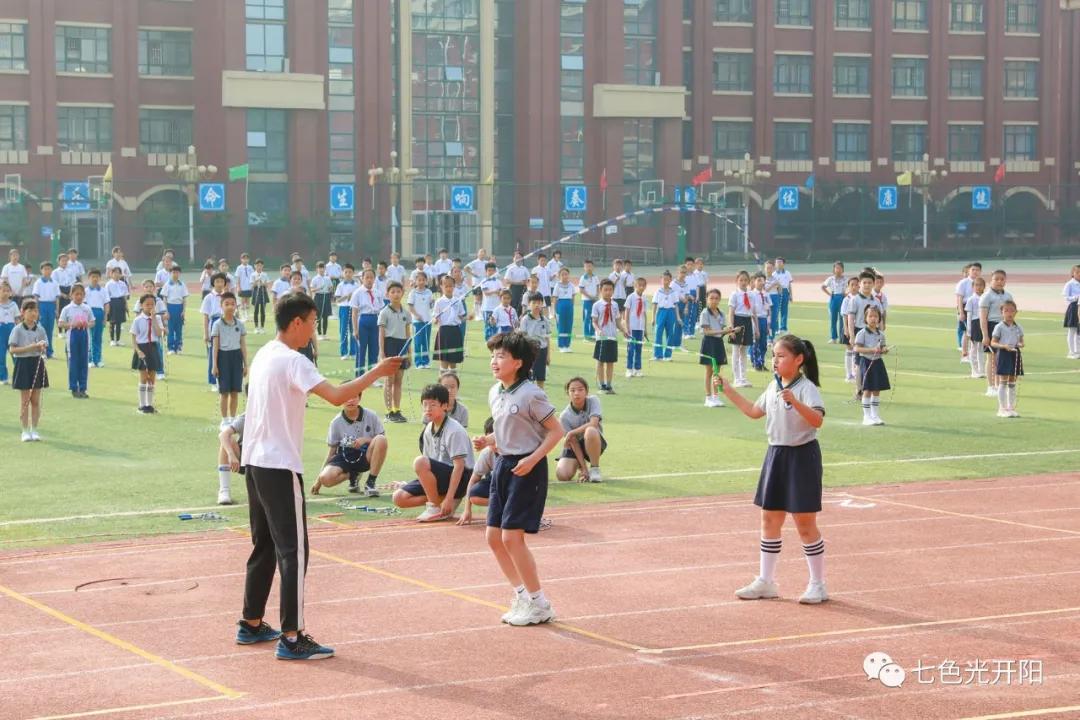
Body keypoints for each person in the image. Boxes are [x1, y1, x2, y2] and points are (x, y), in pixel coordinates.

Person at [237, 292, 401, 660]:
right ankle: (292, 637)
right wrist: (378, 371)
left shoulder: (265, 353)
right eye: (312, 322)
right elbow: (337, 395)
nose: (314, 330)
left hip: (255, 461)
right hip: (278, 465)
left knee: (264, 545)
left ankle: (250, 622)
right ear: (297, 323)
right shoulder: (293, 361)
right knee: (294, 551)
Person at [716, 334, 827, 605]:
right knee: (769, 519)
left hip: (802, 457)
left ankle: (818, 584)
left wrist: (795, 401)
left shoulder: (807, 388)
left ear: (798, 360)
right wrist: (728, 390)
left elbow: (817, 420)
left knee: (804, 523)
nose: (775, 361)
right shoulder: (772, 385)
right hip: (776, 454)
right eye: (774, 356)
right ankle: (766, 581)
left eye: (781, 356)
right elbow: (754, 412)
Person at [472, 331, 564, 625]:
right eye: (493, 355)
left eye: (501, 356)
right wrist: (488, 440)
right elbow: (506, 430)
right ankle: (522, 596)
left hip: (528, 468)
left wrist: (532, 459)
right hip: (503, 465)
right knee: (493, 537)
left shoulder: (531, 394)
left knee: (512, 537)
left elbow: (555, 431)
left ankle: (539, 603)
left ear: (518, 362)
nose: (494, 361)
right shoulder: (495, 392)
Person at [393, 383, 475, 522]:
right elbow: (429, 465)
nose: (427, 409)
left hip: (462, 478)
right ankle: (442, 503)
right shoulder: (428, 428)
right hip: (441, 478)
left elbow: (459, 466)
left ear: (445, 406)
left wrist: (449, 498)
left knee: (420, 461)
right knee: (399, 498)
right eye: (424, 405)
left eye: (432, 405)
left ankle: (436, 506)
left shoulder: (454, 430)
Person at [311, 395, 389, 497]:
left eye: (354, 397)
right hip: (345, 456)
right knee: (325, 478)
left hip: (366, 455)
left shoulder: (371, 415)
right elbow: (332, 452)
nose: (350, 400)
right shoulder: (336, 422)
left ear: (360, 398)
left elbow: (381, 440)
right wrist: (318, 481)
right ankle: (353, 475)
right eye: (347, 396)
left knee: (381, 439)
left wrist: (365, 440)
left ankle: (370, 483)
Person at [10, 299, 48, 441]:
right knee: (25, 400)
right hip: (23, 364)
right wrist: (31, 347)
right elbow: (13, 349)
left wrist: (43, 346)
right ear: (23, 312)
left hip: (37, 363)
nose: (33, 313)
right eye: (30, 310)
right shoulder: (17, 329)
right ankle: (25, 431)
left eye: (35, 310)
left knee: (36, 401)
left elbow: (45, 345)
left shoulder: (41, 329)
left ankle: (34, 430)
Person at [555, 377, 605, 483]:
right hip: (575, 447)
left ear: (587, 391)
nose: (576, 393)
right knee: (562, 475)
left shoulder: (594, 400)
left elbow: (594, 423)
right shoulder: (564, 416)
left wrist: (572, 432)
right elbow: (573, 443)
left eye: (580, 389)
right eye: (572, 390)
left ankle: (594, 469)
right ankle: (581, 466)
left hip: (593, 441)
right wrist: (584, 469)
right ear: (567, 393)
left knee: (590, 430)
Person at [212, 292, 248, 426]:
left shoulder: (240, 324)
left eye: (233, 304)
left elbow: (243, 345)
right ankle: (225, 419)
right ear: (221, 306)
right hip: (223, 357)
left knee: (234, 391)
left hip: (236, 357)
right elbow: (215, 347)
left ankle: (233, 419)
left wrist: (246, 364)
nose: (230, 307)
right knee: (224, 392)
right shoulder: (217, 324)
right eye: (227, 304)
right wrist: (214, 365)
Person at [378, 281, 412, 423]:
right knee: (389, 380)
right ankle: (389, 411)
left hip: (402, 345)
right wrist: (382, 352)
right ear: (388, 294)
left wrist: (409, 352)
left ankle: (397, 409)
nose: (396, 294)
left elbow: (408, 333)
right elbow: (381, 333)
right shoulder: (384, 312)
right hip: (390, 345)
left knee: (398, 380)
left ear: (402, 293)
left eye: (398, 291)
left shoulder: (406, 313)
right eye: (393, 292)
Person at [844, 272, 882, 394]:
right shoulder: (855, 300)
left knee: (871, 362)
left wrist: (880, 336)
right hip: (859, 332)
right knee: (858, 364)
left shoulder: (876, 301)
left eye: (869, 283)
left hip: (872, 333)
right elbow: (850, 318)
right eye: (864, 282)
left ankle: (870, 388)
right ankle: (859, 389)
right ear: (860, 284)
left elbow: (879, 320)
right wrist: (851, 335)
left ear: (873, 284)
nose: (866, 285)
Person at [853, 306, 890, 426]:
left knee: (877, 389)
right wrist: (871, 350)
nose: (873, 319)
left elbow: (883, 346)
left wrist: (884, 350)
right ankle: (866, 416)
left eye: (876, 316)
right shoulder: (862, 333)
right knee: (867, 389)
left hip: (878, 363)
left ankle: (875, 415)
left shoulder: (881, 334)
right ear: (865, 318)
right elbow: (857, 348)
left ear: (879, 319)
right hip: (866, 362)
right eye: (870, 316)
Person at [979, 270, 1013, 399]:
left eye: (1002, 279)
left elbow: (1011, 314)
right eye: (996, 279)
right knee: (992, 359)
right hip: (992, 326)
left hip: (1005, 327)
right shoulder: (987, 296)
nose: (999, 282)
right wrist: (985, 335)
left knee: (1002, 359)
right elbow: (983, 318)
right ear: (991, 281)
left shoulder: (1008, 296)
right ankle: (991, 386)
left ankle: (1000, 386)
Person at [458, 417, 496, 526]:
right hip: (496, 484)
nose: (493, 443)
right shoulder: (487, 453)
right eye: (489, 439)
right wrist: (467, 510)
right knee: (474, 494)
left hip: (515, 484)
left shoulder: (516, 451)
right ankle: (501, 506)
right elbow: (473, 479)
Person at [130, 293, 165, 414]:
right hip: (142, 348)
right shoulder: (138, 320)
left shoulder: (158, 318)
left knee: (152, 378)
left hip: (153, 348)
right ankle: (141, 404)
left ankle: (149, 405)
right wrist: (138, 351)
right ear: (141, 305)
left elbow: (159, 333)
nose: (150, 307)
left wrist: (154, 318)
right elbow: (134, 338)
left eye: (152, 304)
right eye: (147, 304)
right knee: (144, 378)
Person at [58, 283, 94, 399]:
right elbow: (60, 323)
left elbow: (93, 322)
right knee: (74, 362)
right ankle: (74, 387)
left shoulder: (86, 308)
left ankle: (83, 388)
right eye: (76, 294)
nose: (79, 297)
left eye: (81, 294)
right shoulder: (67, 309)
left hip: (84, 335)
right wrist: (72, 324)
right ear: (71, 295)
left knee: (84, 362)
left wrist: (86, 324)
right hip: (72, 336)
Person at [699, 288, 733, 407]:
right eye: (711, 298)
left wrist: (730, 331)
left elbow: (721, 332)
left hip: (718, 342)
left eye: (716, 298)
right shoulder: (704, 313)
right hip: (709, 343)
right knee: (709, 371)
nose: (714, 300)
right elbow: (707, 331)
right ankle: (708, 398)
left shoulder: (722, 313)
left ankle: (715, 397)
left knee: (717, 371)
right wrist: (722, 331)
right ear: (707, 299)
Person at [991, 300, 1024, 418]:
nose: (1009, 313)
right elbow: (993, 342)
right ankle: (1002, 408)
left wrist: (1020, 344)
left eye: (1011, 311)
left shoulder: (1018, 327)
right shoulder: (999, 327)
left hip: (1014, 354)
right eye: (1006, 311)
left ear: (1016, 312)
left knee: (1012, 382)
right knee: (1003, 381)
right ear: (1002, 313)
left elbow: (1021, 341)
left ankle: (1011, 407)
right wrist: (1004, 346)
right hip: (1004, 354)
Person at [592, 279, 622, 394]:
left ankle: (609, 385)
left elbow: (617, 321)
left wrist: (624, 330)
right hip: (602, 338)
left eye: (610, 290)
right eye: (605, 290)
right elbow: (594, 321)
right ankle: (601, 385)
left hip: (612, 337)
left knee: (610, 362)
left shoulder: (615, 305)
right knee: (601, 361)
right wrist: (598, 330)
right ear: (601, 290)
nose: (608, 292)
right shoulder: (597, 305)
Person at [351, 268, 382, 378]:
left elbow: (381, 310)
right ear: (362, 279)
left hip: (375, 320)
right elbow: (354, 313)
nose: (369, 280)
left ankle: (372, 377)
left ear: (374, 279)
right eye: (367, 277)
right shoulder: (357, 293)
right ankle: (359, 377)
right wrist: (355, 330)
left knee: (374, 350)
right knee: (361, 351)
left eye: (371, 277)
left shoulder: (378, 292)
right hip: (363, 321)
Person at [728, 270, 756, 388]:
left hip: (747, 321)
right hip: (738, 321)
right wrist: (731, 327)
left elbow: (753, 312)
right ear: (737, 281)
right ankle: (736, 378)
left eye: (745, 280)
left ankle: (743, 377)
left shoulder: (751, 294)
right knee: (736, 351)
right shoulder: (734, 294)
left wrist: (756, 328)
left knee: (744, 351)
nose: (743, 282)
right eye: (741, 280)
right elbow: (731, 312)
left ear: (749, 281)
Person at [432, 274, 465, 370]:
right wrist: (435, 320)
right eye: (446, 286)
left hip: (455, 331)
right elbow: (435, 316)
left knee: (453, 361)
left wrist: (467, 318)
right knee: (444, 361)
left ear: (454, 286)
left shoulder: (457, 301)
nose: (448, 288)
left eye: (451, 286)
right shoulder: (439, 302)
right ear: (441, 287)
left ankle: (452, 382)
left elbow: (461, 316)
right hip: (443, 332)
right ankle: (442, 382)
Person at [201, 272, 227, 392]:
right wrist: (206, 333)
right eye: (217, 281)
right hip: (214, 323)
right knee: (214, 353)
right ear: (213, 283)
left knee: (226, 351)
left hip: (227, 323)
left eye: (222, 281)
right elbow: (206, 316)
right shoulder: (209, 297)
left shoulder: (228, 296)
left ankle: (225, 379)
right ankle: (213, 381)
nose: (220, 284)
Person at [520, 292, 551, 389]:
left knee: (541, 378)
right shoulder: (525, 319)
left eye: (539, 303)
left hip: (542, 351)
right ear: (529, 304)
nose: (537, 305)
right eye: (534, 303)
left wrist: (548, 355)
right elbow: (523, 337)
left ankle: (540, 399)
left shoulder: (545, 320)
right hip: (530, 351)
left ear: (542, 304)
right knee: (529, 378)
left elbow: (547, 338)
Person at [31, 261, 59, 359]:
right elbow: (36, 297)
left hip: (51, 306)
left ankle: (49, 351)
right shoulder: (38, 282)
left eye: (49, 269)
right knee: (41, 329)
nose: (47, 271)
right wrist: (36, 310)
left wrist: (57, 310)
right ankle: (41, 351)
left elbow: (57, 298)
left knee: (50, 330)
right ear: (41, 270)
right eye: (45, 269)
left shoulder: (54, 282)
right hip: (42, 306)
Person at [623, 276, 648, 378]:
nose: (641, 288)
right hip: (632, 327)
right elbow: (627, 312)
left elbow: (644, 313)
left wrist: (645, 328)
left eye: (643, 286)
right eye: (639, 286)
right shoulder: (631, 297)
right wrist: (627, 326)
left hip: (640, 327)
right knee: (631, 349)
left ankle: (638, 369)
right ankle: (629, 369)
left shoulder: (644, 298)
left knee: (639, 349)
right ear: (635, 286)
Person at [652, 271, 680, 361]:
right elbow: (654, 305)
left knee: (670, 334)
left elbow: (676, 305)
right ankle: (658, 355)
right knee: (658, 333)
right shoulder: (658, 292)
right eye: (664, 279)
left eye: (668, 279)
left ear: (670, 280)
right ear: (661, 280)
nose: (666, 281)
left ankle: (668, 355)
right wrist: (653, 318)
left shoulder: (673, 292)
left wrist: (678, 317)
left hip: (671, 312)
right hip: (661, 312)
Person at [955, 263, 981, 360]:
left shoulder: (980, 282)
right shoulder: (963, 283)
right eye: (973, 269)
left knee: (975, 331)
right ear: (969, 271)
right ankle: (964, 354)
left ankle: (973, 353)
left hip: (977, 308)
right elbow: (959, 298)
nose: (975, 272)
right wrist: (961, 312)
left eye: (977, 270)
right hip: (966, 308)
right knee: (967, 331)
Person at [217, 414, 245, 505]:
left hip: (267, 461)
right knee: (228, 439)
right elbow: (223, 435)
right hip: (245, 460)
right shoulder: (246, 416)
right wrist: (231, 455)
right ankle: (224, 490)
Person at [407, 271, 433, 369]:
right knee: (418, 342)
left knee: (426, 342)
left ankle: (426, 361)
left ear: (426, 281)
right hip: (417, 322)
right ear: (415, 281)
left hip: (427, 320)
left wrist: (432, 303)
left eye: (423, 280)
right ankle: (418, 362)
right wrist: (416, 315)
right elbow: (410, 306)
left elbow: (431, 306)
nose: (421, 282)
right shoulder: (413, 293)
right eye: (419, 280)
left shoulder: (429, 292)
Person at [161, 265, 188, 355]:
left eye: (177, 272)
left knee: (179, 329)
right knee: (170, 328)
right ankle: (171, 347)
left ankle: (179, 347)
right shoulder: (167, 284)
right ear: (170, 273)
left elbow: (184, 299)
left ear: (179, 273)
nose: (175, 274)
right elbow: (164, 298)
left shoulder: (182, 284)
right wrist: (166, 311)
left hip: (179, 307)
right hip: (170, 306)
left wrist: (183, 311)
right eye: (173, 272)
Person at [838, 277, 859, 383]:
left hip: (858, 327)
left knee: (857, 350)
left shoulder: (860, 298)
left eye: (856, 285)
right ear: (848, 287)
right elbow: (844, 315)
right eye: (852, 285)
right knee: (849, 349)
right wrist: (846, 329)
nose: (855, 287)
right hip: (848, 327)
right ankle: (848, 374)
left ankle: (855, 373)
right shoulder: (847, 299)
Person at [334, 264, 358, 359]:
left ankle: (353, 352)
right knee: (343, 330)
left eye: (350, 272)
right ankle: (344, 352)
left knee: (354, 330)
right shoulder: (340, 285)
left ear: (353, 273)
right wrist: (347, 296)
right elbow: (337, 300)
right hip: (344, 308)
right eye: (346, 272)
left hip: (354, 309)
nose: (348, 274)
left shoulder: (357, 285)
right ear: (343, 273)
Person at [965, 277, 987, 379]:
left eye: (981, 285)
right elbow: (969, 316)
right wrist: (969, 331)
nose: (978, 287)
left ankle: (982, 370)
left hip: (984, 323)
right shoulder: (971, 300)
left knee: (982, 348)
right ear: (973, 287)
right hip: (975, 324)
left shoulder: (986, 298)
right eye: (976, 285)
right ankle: (974, 371)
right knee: (974, 348)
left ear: (984, 286)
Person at [750, 273, 772, 372]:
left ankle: (761, 362)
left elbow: (768, 310)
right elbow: (751, 310)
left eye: (762, 280)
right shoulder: (751, 294)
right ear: (754, 282)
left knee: (763, 343)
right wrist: (755, 325)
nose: (760, 282)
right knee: (755, 342)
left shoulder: (766, 294)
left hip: (763, 320)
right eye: (758, 280)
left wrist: (768, 324)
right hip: (755, 319)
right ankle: (755, 363)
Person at [820, 262, 846, 343]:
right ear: (834, 269)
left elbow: (852, 287)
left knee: (843, 319)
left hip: (843, 298)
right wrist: (829, 294)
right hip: (833, 298)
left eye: (840, 268)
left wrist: (846, 293)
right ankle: (833, 337)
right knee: (833, 319)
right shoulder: (830, 279)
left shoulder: (846, 279)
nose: (838, 270)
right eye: (836, 268)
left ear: (843, 269)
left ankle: (842, 338)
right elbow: (822, 286)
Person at [552, 267, 576, 352]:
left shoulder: (571, 285)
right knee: (561, 326)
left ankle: (567, 345)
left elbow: (573, 297)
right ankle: (561, 345)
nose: (565, 276)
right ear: (559, 276)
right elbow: (554, 299)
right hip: (560, 305)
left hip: (569, 306)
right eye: (562, 274)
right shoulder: (557, 285)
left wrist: (571, 306)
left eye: (566, 274)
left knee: (568, 325)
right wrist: (554, 311)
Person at [479, 261, 503, 341]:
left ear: (495, 271)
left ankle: (496, 345)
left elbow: (501, 293)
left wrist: (498, 292)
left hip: (497, 307)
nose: (491, 272)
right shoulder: (484, 281)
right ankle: (489, 344)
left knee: (497, 327)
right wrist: (495, 291)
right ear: (486, 271)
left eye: (493, 270)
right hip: (487, 308)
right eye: (489, 270)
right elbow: (486, 293)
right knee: (488, 327)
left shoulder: (498, 282)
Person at [105, 266, 129, 347]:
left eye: (119, 273)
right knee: (112, 322)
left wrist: (126, 305)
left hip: (121, 302)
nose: (117, 275)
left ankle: (118, 340)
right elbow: (106, 296)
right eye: (115, 273)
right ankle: (112, 340)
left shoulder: (123, 283)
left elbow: (125, 295)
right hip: (112, 302)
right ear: (111, 274)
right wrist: (107, 306)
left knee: (119, 322)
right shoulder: (109, 284)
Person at [310, 262, 334, 340]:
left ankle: (325, 334)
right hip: (318, 297)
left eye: (322, 268)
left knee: (325, 316)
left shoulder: (327, 278)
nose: (321, 269)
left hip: (326, 296)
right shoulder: (315, 278)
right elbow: (312, 289)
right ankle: (319, 334)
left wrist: (330, 290)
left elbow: (331, 287)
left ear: (324, 269)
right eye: (319, 268)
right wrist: (319, 288)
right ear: (317, 269)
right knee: (318, 316)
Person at [0, 282, 17, 384]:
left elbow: (17, 319)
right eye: (3, 291)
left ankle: (19, 376)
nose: (5, 293)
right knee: (1, 356)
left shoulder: (13, 305)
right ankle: (3, 377)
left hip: (12, 331)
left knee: (15, 354)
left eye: (7, 291)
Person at [771, 257, 794, 335]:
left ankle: (783, 328)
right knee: (776, 310)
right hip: (776, 291)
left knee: (784, 311)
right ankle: (776, 328)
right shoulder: (773, 274)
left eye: (780, 262)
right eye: (777, 262)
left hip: (785, 291)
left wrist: (791, 295)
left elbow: (789, 285)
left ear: (783, 263)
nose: (778, 264)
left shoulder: (787, 273)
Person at [578, 259, 599, 342]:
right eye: (587, 266)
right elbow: (581, 290)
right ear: (584, 268)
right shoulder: (583, 278)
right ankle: (586, 336)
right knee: (587, 318)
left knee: (594, 318)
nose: (588, 268)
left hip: (595, 300)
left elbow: (598, 287)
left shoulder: (595, 277)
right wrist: (590, 297)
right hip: (587, 300)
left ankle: (592, 334)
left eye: (590, 266)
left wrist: (597, 296)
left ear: (593, 267)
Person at [1063, 264, 1080, 360]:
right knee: (1072, 330)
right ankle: (1071, 351)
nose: (1079, 274)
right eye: (1077, 272)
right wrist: (1075, 297)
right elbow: (1066, 297)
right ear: (1073, 273)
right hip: (1073, 308)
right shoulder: (1070, 284)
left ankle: (1078, 351)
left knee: (1079, 331)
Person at [251, 259, 270, 334]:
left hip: (263, 292)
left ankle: (262, 327)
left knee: (263, 311)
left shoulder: (265, 274)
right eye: (257, 265)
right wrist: (256, 281)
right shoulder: (253, 274)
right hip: (256, 292)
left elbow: (267, 285)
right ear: (255, 266)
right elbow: (252, 286)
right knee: (256, 310)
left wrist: (262, 282)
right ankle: (256, 327)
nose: (259, 267)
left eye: (260, 265)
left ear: (263, 266)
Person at [54, 252, 76, 317]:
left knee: (70, 310)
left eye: (66, 261)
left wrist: (71, 293)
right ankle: (60, 325)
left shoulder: (71, 271)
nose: (64, 262)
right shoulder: (55, 272)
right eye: (63, 261)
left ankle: (68, 325)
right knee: (60, 310)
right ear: (58, 262)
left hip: (70, 291)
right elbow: (55, 285)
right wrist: (62, 294)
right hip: (60, 291)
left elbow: (73, 283)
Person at [235, 253, 255, 320]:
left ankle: (247, 315)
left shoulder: (250, 267)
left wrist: (252, 286)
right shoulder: (239, 268)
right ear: (241, 260)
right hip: (242, 287)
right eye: (244, 258)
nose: (245, 260)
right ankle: (243, 315)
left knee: (248, 302)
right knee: (243, 301)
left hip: (249, 287)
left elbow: (253, 277)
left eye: (247, 258)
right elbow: (238, 278)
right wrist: (238, 287)